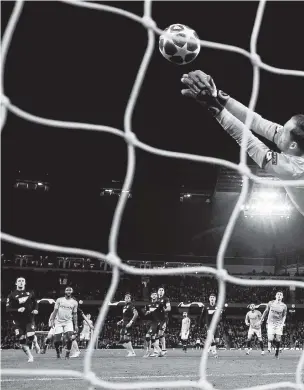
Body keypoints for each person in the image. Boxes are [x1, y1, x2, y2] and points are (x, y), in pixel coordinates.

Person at [181, 70, 304, 217]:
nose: (280, 130)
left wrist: (214, 106)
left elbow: (246, 139)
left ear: (293, 146)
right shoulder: (294, 141)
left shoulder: (292, 169)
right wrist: (218, 96)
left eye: (284, 131)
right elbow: (256, 121)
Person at [6, 277, 39, 362]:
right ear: (16, 283)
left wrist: (36, 309)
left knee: (30, 335)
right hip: (17, 321)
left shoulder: (30, 293)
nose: (21, 282)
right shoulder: (11, 295)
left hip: (29, 318)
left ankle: (35, 342)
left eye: (22, 281)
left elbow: (35, 302)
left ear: (25, 283)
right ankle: (30, 356)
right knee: (22, 339)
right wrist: (17, 310)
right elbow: (8, 309)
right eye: (19, 281)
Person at [49, 287, 78, 359]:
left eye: (70, 290)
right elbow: (55, 311)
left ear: (72, 291)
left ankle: (67, 353)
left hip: (68, 322)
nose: (68, 291)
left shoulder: (74, 302)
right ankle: (58, 353)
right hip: (58, 322)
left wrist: (76, 325)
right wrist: (52, 320)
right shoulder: (59, 300)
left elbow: (75, 314)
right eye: (67, 290)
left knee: (69, 337)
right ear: (65, 291)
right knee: (56, 340)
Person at [260, 291, 287, 359]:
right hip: (270, 323)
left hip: (279, 324)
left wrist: (283, 322)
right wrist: (261, 319)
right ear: (275, 296)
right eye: (278, 294)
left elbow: (284, 315)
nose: (279, 295)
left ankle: (277, 353)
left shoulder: (284, 306)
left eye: (280, 294)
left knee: (278, 339)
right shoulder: (270, 303)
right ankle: (278, 348)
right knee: (270, 339)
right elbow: (266, 311)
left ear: (282, 297)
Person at [200, 293, 222, 358]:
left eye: (213, 297)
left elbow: (220, 316)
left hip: (215, 326)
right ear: (209, 299)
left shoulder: (218, 306)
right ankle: (214, 353)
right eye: (211, 297)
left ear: (215, 299)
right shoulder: (206, 306)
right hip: (209, 325)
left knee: (217, 341)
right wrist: (201, 324)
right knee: (211, 338)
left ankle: (209, 347)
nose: (212, 298)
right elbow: (202, 316)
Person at [117, 292, 138, 357]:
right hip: (124, 323)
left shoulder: (131, 305)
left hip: (128, 324)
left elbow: (136, 314)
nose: (127, 299)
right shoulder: (124, 306)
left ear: (130, 299)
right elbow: (125, 316)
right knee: (121, 340)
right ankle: (130, 352)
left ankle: (132, 352)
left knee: (126, 338)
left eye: (128, 298)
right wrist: (121, 321)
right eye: (126, 298)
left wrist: (130, 322)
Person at [157, 286, 171, 353]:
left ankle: (163, 349)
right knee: (155, 334)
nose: (161, 291)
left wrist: (164, 309)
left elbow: (169, 308)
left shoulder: (166, 299)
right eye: (160, 290)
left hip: (163, 319)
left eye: (162, 290)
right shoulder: (155, 299)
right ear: (157, 291)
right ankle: (157, 350)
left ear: (164, 292)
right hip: (156, 319)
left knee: (160, 334)